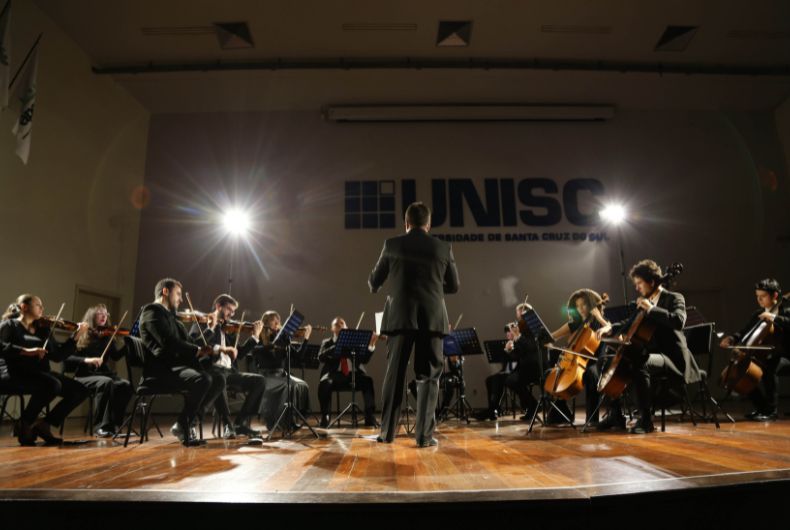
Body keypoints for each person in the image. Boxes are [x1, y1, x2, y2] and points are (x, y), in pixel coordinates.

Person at [369, 201, 460, 448]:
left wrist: (381, 284)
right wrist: (432, 287)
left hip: (400, 317)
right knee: (429, 376)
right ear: (428, 224)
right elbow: (453, 286)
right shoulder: (443, 247)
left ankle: (386, 433)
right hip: (432, 317)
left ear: (406, 223)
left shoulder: (392, 244)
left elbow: (374, 281)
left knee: (395, 374)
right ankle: (424, 437)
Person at [138, 278, 220, 446]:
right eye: (178, 294)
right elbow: (168, 342)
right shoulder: (151, 311)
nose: (181, 299)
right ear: (165, 291)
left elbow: (191, 343)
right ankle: (184, 425)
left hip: (176, 367)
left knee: (219, 379)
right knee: (202, 379)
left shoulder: (173, 319)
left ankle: (185, 423)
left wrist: (209, 331)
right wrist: (197, 350)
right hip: (161, 371)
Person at [0, 294, 90, 445]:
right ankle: (25, 423)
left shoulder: (43, 329)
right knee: (52, 384)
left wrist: (75, 337)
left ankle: (45, 424)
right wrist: (26, 351)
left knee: (80, 390)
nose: (42, 308)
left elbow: (57, 356)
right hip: (13, 373)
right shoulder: (9, 325)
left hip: (40, 373)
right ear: (24, 307)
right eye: (38, 305)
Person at [188, 293, 266, 438]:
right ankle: (227, 424)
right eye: (229, 309)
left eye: (233, 311)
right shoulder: (202, 323)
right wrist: (213, 328)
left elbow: (239, 354)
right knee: (219, 378)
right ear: (218, 306)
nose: (232, 314)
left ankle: (240, 424)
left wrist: (255, 336)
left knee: (259, 381)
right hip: (210, 370)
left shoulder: (228, 329)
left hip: (230, 372)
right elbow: (195, 345)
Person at [719, 278, 790, 421]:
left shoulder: (786, 312)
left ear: (775, 295)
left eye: (763, 296)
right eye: (757, 296)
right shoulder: (758, 314)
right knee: (744, 372)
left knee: (769, 367)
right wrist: (732, 338)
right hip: (766, 355)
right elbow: (744, 332)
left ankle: (772, 411)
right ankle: (762, 408)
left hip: (785, 356)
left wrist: (774, 317)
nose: (759, 299)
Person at [67, 304, 132, 437]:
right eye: (100, 313)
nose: (104, 316)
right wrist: (88, 360)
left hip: (104, 374)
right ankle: (101, 426)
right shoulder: (81, 333)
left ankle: (115, 425)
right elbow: (68, 358)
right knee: (106, 382)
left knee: (125, 385)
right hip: (84, 375)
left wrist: (128, 345)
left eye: (106, 314)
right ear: (92, 316)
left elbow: (115, 356)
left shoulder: (107, 336)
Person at [252, 310, 311, 431]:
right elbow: (255, 350)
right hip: (266, 375)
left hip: (281, 374)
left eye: (279, 321)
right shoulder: (261, 337)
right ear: (267, 322)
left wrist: (306, 339)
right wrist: (272, 345)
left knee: (302, 385)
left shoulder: (282, 338)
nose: (278, 323)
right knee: (287, 386)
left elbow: (299, 356)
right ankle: (280, 421)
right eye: (274, 321)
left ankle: (294, 417)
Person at [317, 316, 377, 427]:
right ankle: (325, 416)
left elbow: (364, 360)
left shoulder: (354, 342)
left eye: (342, 324)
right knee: (324, 383)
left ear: (347, 328)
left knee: (368, 381)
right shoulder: (327, 342)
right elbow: (320, 357)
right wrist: (337, 345)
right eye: (336, 324)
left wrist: (371, 345)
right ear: (332, 329)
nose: (340, 326)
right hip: (335, 375)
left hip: (353, 374)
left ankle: (369, 416)